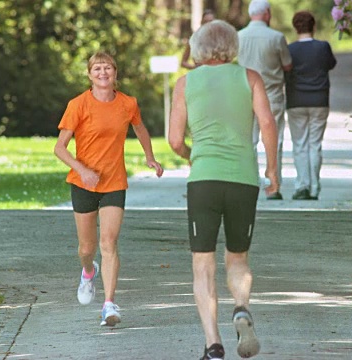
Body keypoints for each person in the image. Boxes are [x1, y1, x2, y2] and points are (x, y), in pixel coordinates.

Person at [168, 20, 279, 360]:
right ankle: (241, 307)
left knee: (202, 263)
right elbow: (267, 123)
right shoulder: (250, 78)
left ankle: (213, 345)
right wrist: (272, 170)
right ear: (233, 46)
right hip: (243, 179)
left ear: (198, 47)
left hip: (203, 179)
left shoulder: (185, 83)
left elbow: (174, 141)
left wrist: (192, 156)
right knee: (238, 257)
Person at [54, 51, 164, 327]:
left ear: (115, 73)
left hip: (114, 182)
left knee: (109, 243)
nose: (103, 73)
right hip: (83, 184)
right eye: (97, 69)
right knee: (86, 248)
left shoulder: (128, 103)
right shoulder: (78, 104)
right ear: (90, 75)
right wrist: (82, 170)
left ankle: (109, 304)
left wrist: (150, 157)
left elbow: (140, 129)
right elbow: (59, 147)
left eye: (108, 68)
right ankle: (88, 272)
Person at [237, 0, 292, 200]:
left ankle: (249, 181)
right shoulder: (276, 37)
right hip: (272, 95)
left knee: (248, 141)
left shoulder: (239, 36)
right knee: (273, 141)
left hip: (246, 95)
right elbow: (287, 65)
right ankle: (273, 185)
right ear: (267, 13)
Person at [285, 11, 336, 200]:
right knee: (315, 144)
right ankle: (315, 187)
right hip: (319, 100)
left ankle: (302, 186)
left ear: (295, 28)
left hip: (296, 101)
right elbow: (331, 64)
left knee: (299, 145)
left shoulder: (289, 50)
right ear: (313, 26)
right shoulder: (323, 47)